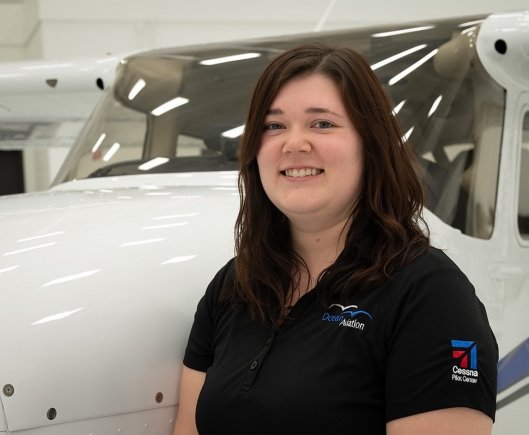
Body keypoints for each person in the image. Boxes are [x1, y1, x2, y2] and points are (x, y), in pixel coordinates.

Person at [173, 42, 498, 435]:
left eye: (322, 123)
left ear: (371, 144)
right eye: (273, 126)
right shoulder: (233, 286)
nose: (294, 144)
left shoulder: (431, 296)